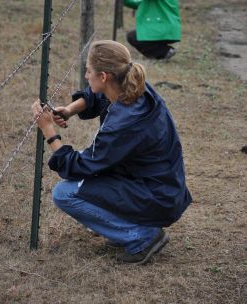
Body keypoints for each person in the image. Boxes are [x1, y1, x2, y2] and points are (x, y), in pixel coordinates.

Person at [31, 40, 192, 265]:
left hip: (156, 196)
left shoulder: (123, 124)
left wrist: (49, 130)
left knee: (65, 193)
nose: (86, 76)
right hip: (161, 187)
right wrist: (68, 110)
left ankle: (142, 236)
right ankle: (130, 227)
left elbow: (77, 168)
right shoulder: (134, 87)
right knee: (92, 180)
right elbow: (97, 96)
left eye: (88, 71)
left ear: (104, 76)